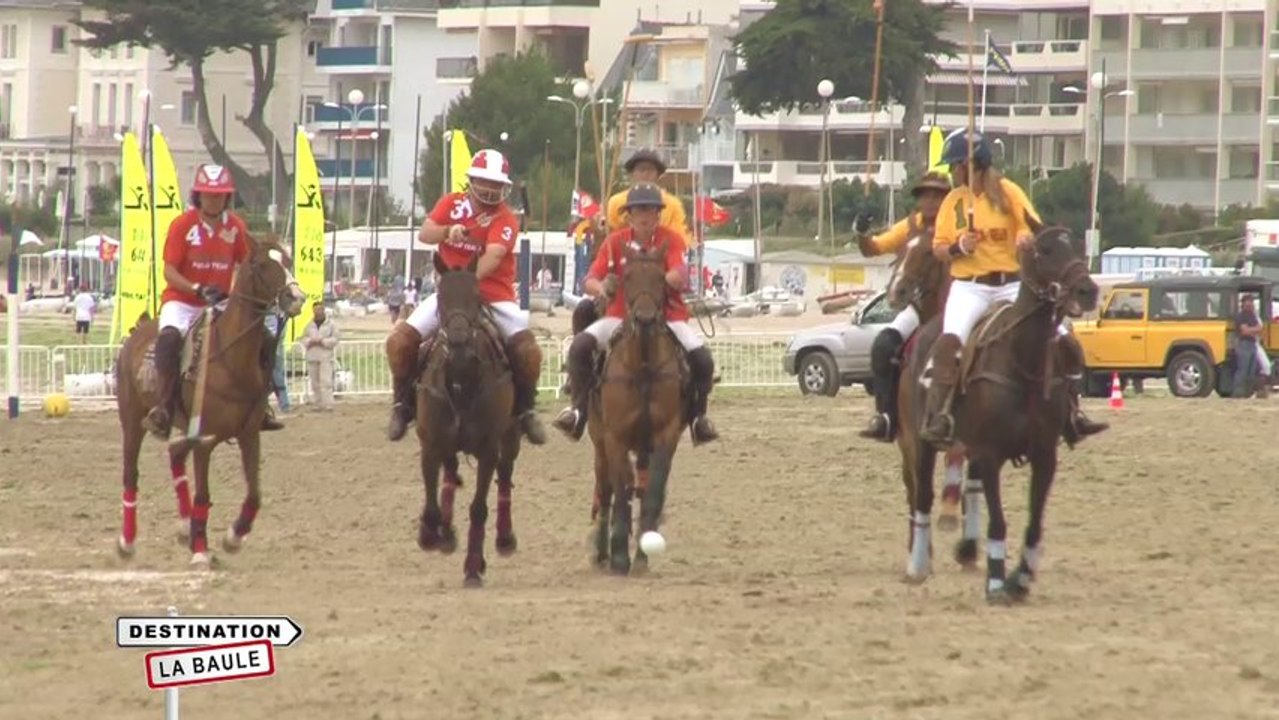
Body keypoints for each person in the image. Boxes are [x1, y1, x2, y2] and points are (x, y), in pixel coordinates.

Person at [919, 131, 1107, 447]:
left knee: (1065, 340)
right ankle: (942, 416)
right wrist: (957, 247)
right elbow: (938, 248)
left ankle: (1073, 412)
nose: (952, 172)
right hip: (970, 288)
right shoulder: (954, 201)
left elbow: (1032, 228)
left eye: (955, 165)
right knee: (949, 344)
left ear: (971, 164)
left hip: (1011, 285)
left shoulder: (1008, 193)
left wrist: (1024, 239)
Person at [383, 148, 546, 445]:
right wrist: (449, 231)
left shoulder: (505, 218)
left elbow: (495, 254)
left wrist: (468, 282)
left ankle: (526, 410)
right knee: (399, 342)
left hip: (494, 296)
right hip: (449, 296)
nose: (489, 188)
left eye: (496, 183)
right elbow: (426, 232)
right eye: (484, 180)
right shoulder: (452, 203)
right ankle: (401, 405)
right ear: (471, 180)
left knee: (529, 352)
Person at [553, 183, 719, 445]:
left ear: (658, 214)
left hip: (668, 317)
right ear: (629, 215)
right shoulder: (614, 242)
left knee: (702, 359)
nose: (645, 215)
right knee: (579, 347)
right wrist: (602, 288)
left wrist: (663, 277)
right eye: (639, 210)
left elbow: (679, 272)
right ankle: (578, 410)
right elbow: (589, 281)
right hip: (618, 315)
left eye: (651, 210)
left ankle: (699, 418)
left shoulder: (671, 240)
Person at [143, 164, 280, 439]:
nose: (214, 200)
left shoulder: (236, 227)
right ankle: (164, 409)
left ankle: (260, 406)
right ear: (198, 196)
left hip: (220, 302)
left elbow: (246, 264)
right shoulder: (182, 225)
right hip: (182, 302)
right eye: (208, 195)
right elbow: (169, 270)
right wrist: (196, 288)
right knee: (169, 340)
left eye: (219, 195)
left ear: (227, 198)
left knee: (264, 338)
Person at [853, 171, 952, 441]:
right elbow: (874, 247)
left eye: (937, 195)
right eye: (924, 195)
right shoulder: (909, 226)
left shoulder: (958, 224)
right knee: (883, 345)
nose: (930, 201)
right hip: (921, 310)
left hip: (957, 305)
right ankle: (886, 417)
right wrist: (861, 231)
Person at [301, 302, 339, 410]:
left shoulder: (331, 324)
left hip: (325, 356)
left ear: (323, 310)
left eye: (319, 309)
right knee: (314, 382)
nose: (317, 312)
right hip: (312, 355)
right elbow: (303, 338)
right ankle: (318, 403)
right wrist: (310, 341)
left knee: (326, 381)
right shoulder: (309, 325)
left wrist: (323, 341)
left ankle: (328, 403)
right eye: (315, 310)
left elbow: (336, 339)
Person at [1233, 294, 1263, 399]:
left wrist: (1251, 330)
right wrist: (1253, 330)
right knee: (1242, 370)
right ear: (1243, 303)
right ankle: (1238, 393)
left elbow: (1260, 328)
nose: (1250, 303)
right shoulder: (1241, 316)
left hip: (1252, 344)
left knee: (1251, 371)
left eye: (1252, 301)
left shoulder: (1252, 316)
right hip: (1243, 345)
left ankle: (1248, 394)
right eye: (1248, 301)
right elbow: (1244, 331)